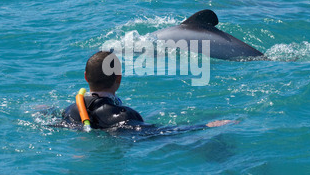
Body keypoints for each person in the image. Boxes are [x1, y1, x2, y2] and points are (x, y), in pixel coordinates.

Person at [61, 51, 231, 131]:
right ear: (118, 78)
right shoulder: (125, 115)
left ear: (86, 77)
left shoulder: (70, 110)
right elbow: (159, 133)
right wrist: (204, 126)